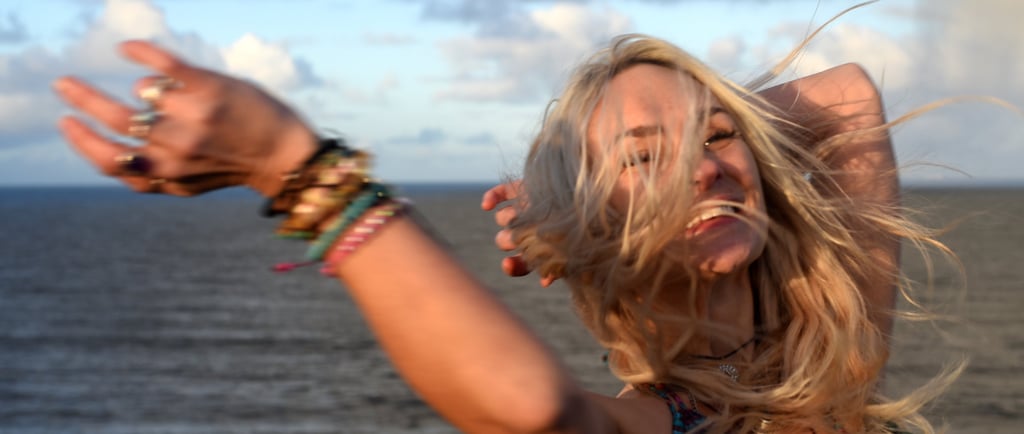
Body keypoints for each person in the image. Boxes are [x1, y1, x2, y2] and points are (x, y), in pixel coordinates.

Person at [53, 26, 952, 434]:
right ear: (599, 226)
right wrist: (296, 170)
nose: (705, 167)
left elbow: (847, 98)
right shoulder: (658, 421)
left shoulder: (829, 358)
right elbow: (533, 408)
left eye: (718, 139)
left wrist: (613, 168)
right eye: (647, 159)